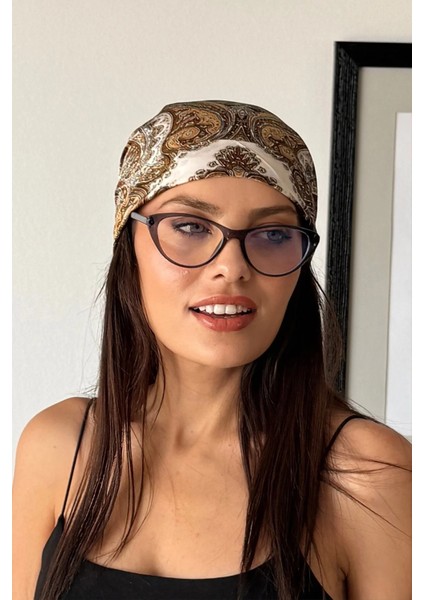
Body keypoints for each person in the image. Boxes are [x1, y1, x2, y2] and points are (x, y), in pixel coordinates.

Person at [13, 100, 411, 600]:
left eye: (273, 234)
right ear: (128, 247)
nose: (232, 267)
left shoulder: (367, 472)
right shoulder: (59, 445)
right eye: (191, 226)